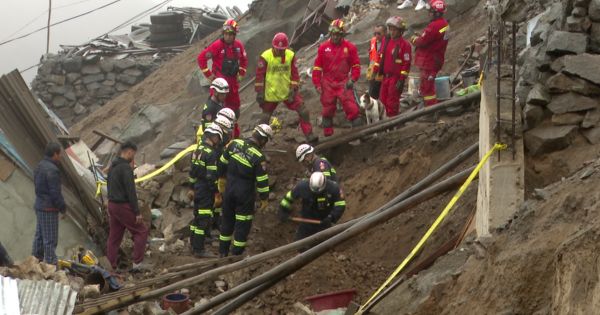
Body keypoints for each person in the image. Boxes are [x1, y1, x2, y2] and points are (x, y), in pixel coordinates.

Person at [217, 124, 273, 256]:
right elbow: (262, 182)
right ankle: (236, 254)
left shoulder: (234, 144)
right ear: (264, 140)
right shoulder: (259, 157)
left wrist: (221, 179)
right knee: (243, 224)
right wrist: (264, 198)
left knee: (227, 221)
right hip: (244, 194)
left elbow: (221, 163)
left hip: (229, 190)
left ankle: (222, 252)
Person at [255, 32, 318, 143]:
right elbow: (260, 76)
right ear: (273, 46)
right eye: (278, 49)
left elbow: (295, 74)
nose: (280, 51)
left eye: (282, 49)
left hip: (287, 91)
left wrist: (293, 89)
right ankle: (257, 141)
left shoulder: (290, 55)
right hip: (271, 93)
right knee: (265, 118)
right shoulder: (265, 56)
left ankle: (310, 135)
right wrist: (259, 92)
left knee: (303, 111)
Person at [197, 19, 248, 137]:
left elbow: (244, 60)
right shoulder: (217, 46)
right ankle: (214, 137)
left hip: (233, 85)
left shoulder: (238, 46)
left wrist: (241, 72)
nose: (228, 37)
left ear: (234, 34)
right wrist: (209, 75)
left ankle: (234, 136)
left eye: (230, 34)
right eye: (226, 34)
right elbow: (201, 58)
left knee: (235, 112)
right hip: (219, 85)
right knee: (217, 112)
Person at [312, 19, 363, 137]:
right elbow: (317, 68)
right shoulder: (323, 48)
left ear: (342, 35)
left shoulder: (350, 48)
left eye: (338, 34)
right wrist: (317, 84)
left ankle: (360, 134)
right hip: (327, 83)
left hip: (344, 82)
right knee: (327, 109)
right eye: (333, 34)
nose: (335, 37)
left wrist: (353, 79)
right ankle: (328, 135)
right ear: (330, 34)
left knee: (352, 108)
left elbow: (356, 65)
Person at [106, 142, 149, 272]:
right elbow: (131, 192)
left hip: (112, 205)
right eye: (133, 154)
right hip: (122, 205)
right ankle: (137, 264)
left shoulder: (112, 167)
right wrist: (137, 212)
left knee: (114, 237)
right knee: (141, 231)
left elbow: (108, 186)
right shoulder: (125, 168)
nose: (133, 158)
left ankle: (110, 265)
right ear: (129, 152)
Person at [188, 124, 223, 258]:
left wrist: (191, 187)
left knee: (196, 218)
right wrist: (216, 192)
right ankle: (199, 249)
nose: (218, 141)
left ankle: (193, 243)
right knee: (203, 220)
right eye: (218, 138)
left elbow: (192, 172)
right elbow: (211, 176)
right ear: (213, 137)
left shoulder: (197, 150)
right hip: (205, 190)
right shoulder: (211, 153)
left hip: (197, 187)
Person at [279, 172, 346, 241]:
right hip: (306, 221)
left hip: (324, 222)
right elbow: (289, 197)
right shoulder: (302, 186)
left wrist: (331, 217)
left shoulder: (333, 188)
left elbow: (340, 204)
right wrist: (283, 209)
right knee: (300, 243)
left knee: (324, 245)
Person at [32, 142, 66, 265]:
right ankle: (51, 265)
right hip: (49, 208)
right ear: (55, 154)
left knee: (40, 236)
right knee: (50, 239)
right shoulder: (53, 170)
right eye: (59, 154)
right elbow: (55, 193)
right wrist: (63, 208)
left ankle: (35, 261)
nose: (60, 157)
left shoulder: (39, 166)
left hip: (39, 205)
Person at [411, 0, 449, 106]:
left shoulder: (434, 26)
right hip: (435, 59)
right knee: (425, 85)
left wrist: (414, 39)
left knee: (428, 88)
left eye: (431, 12)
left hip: (429, 61)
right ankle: (426, 107)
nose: (429, 14)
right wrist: (422, 35)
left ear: (436, 13)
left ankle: (431, 111)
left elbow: (422, 42)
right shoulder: (444, 24)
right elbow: (435, 37)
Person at [372, 16, 412, 117]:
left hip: (395, 79)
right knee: (382, 100)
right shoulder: (387, 42)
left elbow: (406, 64)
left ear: (401, 31)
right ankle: (383, 122)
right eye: (390, 29)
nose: (392, 32)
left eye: (394, 30)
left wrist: (402, 79)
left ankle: (391, 123)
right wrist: (375, 71)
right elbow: (380, 57)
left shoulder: (405, 45)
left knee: (392, 102)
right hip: (385, 77)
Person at [195, 78, 230, 143]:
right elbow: (207, 128)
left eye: (225, 94)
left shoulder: (218, 102)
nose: (225, 96)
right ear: (216, 92)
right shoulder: (210, 109)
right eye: (222, 94)